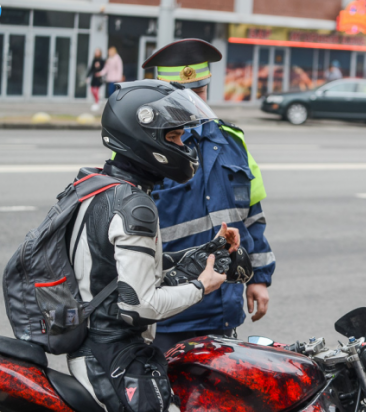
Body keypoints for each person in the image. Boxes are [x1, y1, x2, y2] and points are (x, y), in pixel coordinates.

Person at [67, 79, 241, 411]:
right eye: (174, 137)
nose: (184, 146)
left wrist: (208, 250)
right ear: (144, 138)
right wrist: (202, 286)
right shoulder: (135, 206)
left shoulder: (101, 186)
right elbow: (140, 306)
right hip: (115, 357)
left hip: (98, 347)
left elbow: (122, 266)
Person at [141, 39, 275, 352]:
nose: (190, 102)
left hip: (222, 310)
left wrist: (258, 278)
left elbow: (252, 216)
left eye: (198, 93)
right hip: (168, 312)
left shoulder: (231, 140)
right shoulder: (146, 149)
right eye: (179, 94)